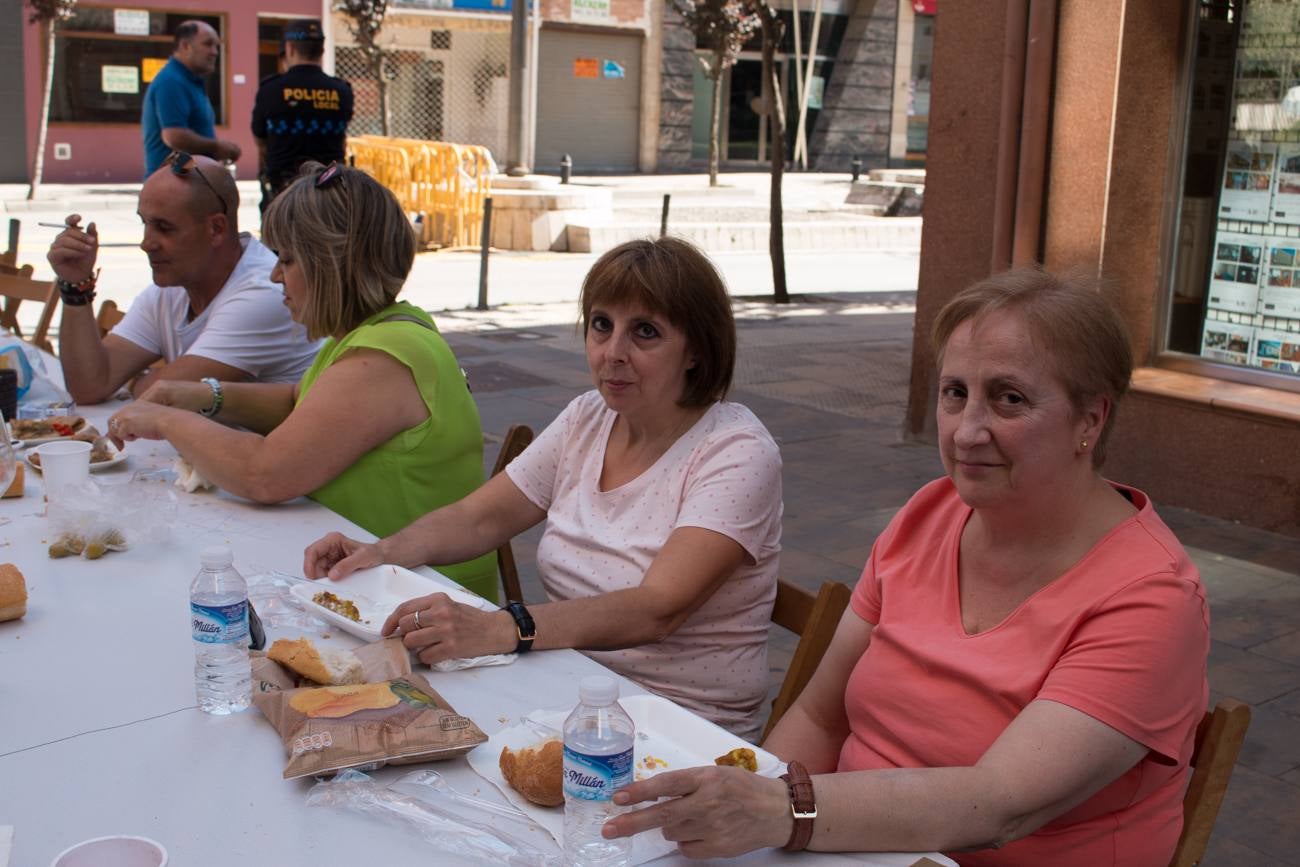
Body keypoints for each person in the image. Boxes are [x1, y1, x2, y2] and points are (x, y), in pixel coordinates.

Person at [601, 269, 1210, 866]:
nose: (969, 431)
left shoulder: (1152, 597)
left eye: (1009, 398)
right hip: (849, 844)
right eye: (955, 393)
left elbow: (1002, 805)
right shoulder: (931, 513)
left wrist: (782, 810)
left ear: (1090, 420)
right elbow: (820, 715)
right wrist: (752, 825)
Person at [302, 237, 783, 741]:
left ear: (696, 351)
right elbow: (482, 518)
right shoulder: (589, 417)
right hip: (569, 689)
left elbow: (657, 608)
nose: (613, 353)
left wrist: (502, 629)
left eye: (645, 333)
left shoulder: (736, 451)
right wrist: (381, 551)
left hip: (681, 729)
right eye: (602, 325)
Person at [105, 162, 496, 597]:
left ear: (331, 265)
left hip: (426, 598)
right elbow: (300, 403)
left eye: (287, 259)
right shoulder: (368, 333)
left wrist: (163, 420)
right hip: (378, 582)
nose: (276, 276)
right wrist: (203, 396)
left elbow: (264, 474)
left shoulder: (386, 356)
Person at [48, 153, 320, 406]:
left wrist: (132, 381)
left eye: (164, 228)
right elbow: (89, 386)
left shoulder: (265, 292)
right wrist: (75, 287)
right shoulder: (175, 283)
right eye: (145, 223)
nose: (146, 243)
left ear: (216, 228)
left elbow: (157, 397)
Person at [252, 20, 353, 209]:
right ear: (322, 50)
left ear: (289, 48)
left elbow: (260, 141)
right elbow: (343, 139)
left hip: (283, 193)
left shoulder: (271, 89)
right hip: (329, 191)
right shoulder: (342, 91)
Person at [141, 21, 241, 177]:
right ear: (185, 46)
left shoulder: (190, 81)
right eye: (208, 44)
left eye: (216, 46)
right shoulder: (172, 80)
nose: (215, 52)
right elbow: (174, 136)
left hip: (186, 183)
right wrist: (216, 147)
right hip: (171, 187)